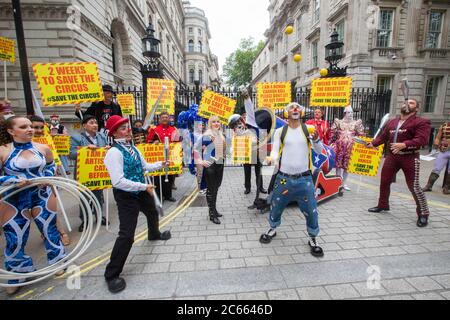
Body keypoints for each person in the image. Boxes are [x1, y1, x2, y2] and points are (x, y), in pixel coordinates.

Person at [103, 115, 171, 294]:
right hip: (126, 195)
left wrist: (160, 164)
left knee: (152, 212)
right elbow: (118, 182)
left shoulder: (133, 148)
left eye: (128, 127)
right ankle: (111, 274)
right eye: (123, 128)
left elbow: (145, 166)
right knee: (127, 234)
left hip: (141, 189)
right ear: (115, 132)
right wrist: (144, 186)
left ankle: (154, 234)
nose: (128, 130)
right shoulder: (114, 153)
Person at [0, 116, 66, 295]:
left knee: (49, 230)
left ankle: (57, 261)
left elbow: (52, 167)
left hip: (41, 195)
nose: (30, 129)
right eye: (23, 127)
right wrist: (11, 179)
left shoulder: (43, 148)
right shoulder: (3, 151)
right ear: (11, 131)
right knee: (15, 237)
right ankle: (16, 273)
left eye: (30, 126)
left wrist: (47, 177)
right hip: (14, 199)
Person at [260, 103, 324, 258]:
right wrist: (270, 159)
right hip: (284, 179)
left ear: (301, 111)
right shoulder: (280, 132)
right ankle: (273, 228)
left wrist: (316, 140)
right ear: (286, 112)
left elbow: (319, 150)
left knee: (311, 210)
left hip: (305, 179)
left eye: (297, 107)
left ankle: (313, 237)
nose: (295, 109)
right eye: (291, 107)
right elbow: (275, 152)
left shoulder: (308, 129)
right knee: (276, 205)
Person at [367, 99, 432, 228]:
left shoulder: (421, 122)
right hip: (392, 157)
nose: (407, 104)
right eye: (405, 102)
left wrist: (404, 144)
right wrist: (373, 143)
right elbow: (383, 136)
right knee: (384, 181)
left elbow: (422, 140)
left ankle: (423, 213)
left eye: (412, 103)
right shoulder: (392, 122)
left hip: (410, 157)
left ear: (417, 108)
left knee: (414, 186)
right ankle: (383, 205)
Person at [29, 115, 70, 246]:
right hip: (29, 183)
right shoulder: (24, 143)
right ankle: (45, 231)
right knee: (34, 211)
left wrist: (56, 169)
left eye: (41, 127)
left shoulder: (47, 138)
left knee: (51, 207)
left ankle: (61, 232)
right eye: (36, 127)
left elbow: (53, 156)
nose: (39, 130)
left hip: (47, 179)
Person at [70, 115, 109, 232]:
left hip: (98, 171)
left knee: (99, 195)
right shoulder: (76, 137)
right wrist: (86, 149)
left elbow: (105, 151)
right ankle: (85, 219)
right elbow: (71, 154)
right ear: (84, 126)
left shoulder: (102, 136)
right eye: (91, 123)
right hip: (84, 172)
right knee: (84, 196)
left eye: (96, 122)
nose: (95, 125)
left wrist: (107, 149)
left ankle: (99, 215)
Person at [193, 115, 227, 225]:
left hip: (219, 164)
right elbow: (195, 149)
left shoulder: (221, 135)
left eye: (218, 121)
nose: (216, 123)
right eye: (214, 122)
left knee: (216, 188)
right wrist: (201, 161)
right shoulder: (206, 135)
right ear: (210, 124)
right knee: (211, 189)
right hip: (210, 166)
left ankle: (214, 210)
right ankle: (211, 214)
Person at [146, 111, 180, 202]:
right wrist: (154, 143)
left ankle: (168, 195)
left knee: (169, 176)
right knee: (158, 176)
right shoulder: (155, 129)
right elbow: (148, 141)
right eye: (163, 117)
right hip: (159, 157)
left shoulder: (174, 129)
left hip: (170, 156)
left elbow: (178, 142)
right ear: (160, 119)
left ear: (169, 119)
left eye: (166, 117)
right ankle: (160, 196)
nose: (165, 119)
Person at [331, 106, 365, 191]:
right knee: (338, 166)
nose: (350, 114)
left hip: (350, 147)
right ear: (345, 113)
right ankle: (337, 183)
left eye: (352, 113)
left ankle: (343, 183)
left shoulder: (355, 123)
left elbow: (361, 134)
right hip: (339, 147)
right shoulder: (338, 122)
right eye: (348, 112)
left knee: (347, 166)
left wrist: (359, 126)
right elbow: (332, 133)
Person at [241, 90, 267, 195]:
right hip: (246, 151)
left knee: (259, 170)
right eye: (244, 116)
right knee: (247, 170)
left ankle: (260, 187)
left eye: (246, 116)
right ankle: (247, 188)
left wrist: (247, 98)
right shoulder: (240, 125)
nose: (246, 117)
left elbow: (250, 108)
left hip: (257, 150)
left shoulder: (253, 122)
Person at [423, 121, 450, 194]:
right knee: (436, 169)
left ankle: (446, 188)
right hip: (443, 150)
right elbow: (438, 137)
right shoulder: (444, 125)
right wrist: (435, 148)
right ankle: (429, 186)